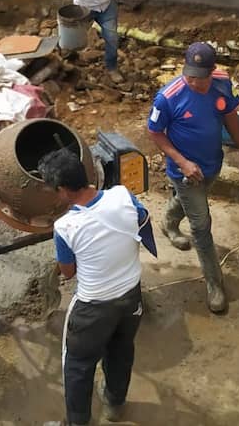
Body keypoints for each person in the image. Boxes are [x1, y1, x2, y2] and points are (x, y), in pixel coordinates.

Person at [38, 149, 156, 426]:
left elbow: (69, 272)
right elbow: (141, 219)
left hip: (93, 307)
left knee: (78, 365)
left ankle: (77, 422)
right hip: (131, 295)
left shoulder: (65, 226)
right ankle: (114, 403)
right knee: (121, 349)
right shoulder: (123, 195)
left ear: (63, 189)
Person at [146, 42, 239, 313]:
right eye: (191, 76)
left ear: (212, 71)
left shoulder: (222, 83)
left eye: (202, 78)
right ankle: (214, 283)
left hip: (212, 164)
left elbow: (229, 114)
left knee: (193, 202)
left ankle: (168, 223)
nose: (196, 83)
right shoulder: (168, 97)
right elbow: (155, 132)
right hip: (184, 171)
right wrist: (182, 162)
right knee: (201, 225)